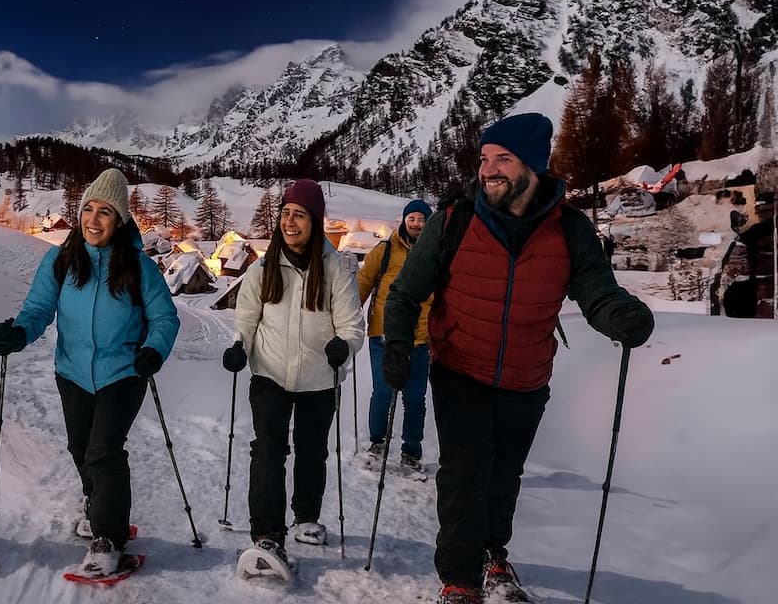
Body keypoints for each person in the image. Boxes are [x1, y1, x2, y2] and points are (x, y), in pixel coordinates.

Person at [383, 113, 654, 604]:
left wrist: (622, 316)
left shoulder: (569, 230)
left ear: (533, 166)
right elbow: (404, 293)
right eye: (484, 159)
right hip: (460, 367)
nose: (488, 170)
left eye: (502, 159)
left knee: (504, 474)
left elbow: (596, 292)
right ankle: (460, 580)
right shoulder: (454, 220)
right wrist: (399, 345)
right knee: (465, 473)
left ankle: (493, 554)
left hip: (527, 376)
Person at [0, 168, 179, 578]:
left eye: (105, 212)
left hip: (123, 371)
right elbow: (39, 309)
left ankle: (108, 539)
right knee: (81, 448)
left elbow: (165, 317)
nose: (93, 220)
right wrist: (19, 332)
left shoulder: (139, 267)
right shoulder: (60, 260)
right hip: (72, 372)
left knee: (103, 451)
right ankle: (99, 509)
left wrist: (153, 349)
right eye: (88, 209)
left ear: (120, 220)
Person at [222, 179, 365, 574]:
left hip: (320, 379)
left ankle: (306, 516)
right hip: (269, 373)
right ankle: (267, 536)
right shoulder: (263, 268)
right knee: (268, 450)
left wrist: (344, 346)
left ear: (315, 221)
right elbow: (246, 320)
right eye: (285, 213)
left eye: (299, 215)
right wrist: (239, 347)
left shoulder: (335, 270)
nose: (290, 221)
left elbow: (353, 327)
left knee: (311, 450)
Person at [357, 199, 432, 471]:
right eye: (412, 218)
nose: (416, 224)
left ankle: (411, 452)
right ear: (404, 220)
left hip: (421, 337)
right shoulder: (385, 250)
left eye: (421, 219)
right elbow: (364, 281)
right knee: (383, 392)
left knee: (414, 398)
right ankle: (377, 442)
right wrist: (348, 312)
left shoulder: (435, 252)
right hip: (384, 334)